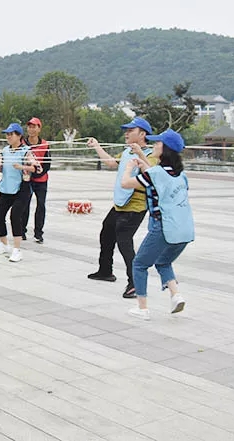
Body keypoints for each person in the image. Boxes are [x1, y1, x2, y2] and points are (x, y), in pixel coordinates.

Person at [120, 129, 193, 319]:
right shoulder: (181, 175)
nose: (154, 145)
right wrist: (142, 160)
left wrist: (129, 168)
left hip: (163, 227)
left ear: (165, 149)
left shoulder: (157, 173)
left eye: (157, 143)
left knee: (139, 264)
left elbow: (126, 183)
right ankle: (176, 295)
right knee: (163, 261)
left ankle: (142, 308)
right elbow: (156, 177)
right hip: (184, 229)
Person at [86, 117, 155, 298]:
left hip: (135, 206)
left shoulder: (151, 155)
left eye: (131, 130)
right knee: (107, 231)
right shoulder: (126, 152)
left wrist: (140, 154)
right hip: (120, 203)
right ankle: (105, 271)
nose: (126, 133)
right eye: (126, 130)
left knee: (124, 241)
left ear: (142, 134)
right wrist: (96, 146)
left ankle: (135, 283)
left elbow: (152, 175)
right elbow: (111, 163)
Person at [0, 123, 38, 263]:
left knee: (15, 216)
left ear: (19, 136)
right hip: (6, 188)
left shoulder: (26, 151)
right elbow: (4, 167)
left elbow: (36, 168)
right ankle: (4, 244)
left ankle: (17, 249)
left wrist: (22, 166)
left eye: (11, 134)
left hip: (21, 189)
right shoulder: (5, 150)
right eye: (7, 134)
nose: (8, 137)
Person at [20, 117, 51, 244]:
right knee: (24, 204)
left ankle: (38, 233)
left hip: (41, 180)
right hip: (26, 179)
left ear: (39, 129)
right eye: (29, 127)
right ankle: (22, 231)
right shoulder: (22, 143)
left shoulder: (45, 144)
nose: (31, 129)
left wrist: (37, 173)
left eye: (34, 127)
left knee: (41, 205)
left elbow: (47, 165)